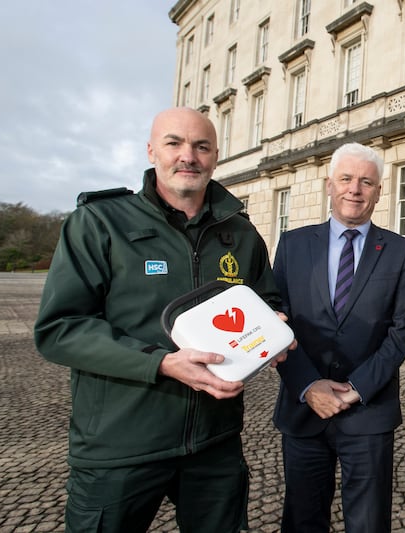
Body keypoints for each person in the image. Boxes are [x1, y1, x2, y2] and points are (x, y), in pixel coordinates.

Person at [34, 107, 287, 532]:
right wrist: (160, 362)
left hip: (214, 442)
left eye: (201, 146)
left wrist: (275, 325)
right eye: (174, 143)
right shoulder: (100, 222)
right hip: (121, 444)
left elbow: (267, 297)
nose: (188, 156)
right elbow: (61, 328)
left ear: (215, 156)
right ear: (152, 150)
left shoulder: (240, 233)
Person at [271, 142, 405, 533]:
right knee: (302, 520)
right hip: (303, 411)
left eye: (366, 182)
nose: (355, 189)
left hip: (368, 412)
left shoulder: (401, 251)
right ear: (329, 185)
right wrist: (307, 385)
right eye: (346, 179)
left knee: (369, 524)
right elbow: (276, 326)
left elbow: (403, 329)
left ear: (379, 191)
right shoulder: (292, 244)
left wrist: (356, 387)